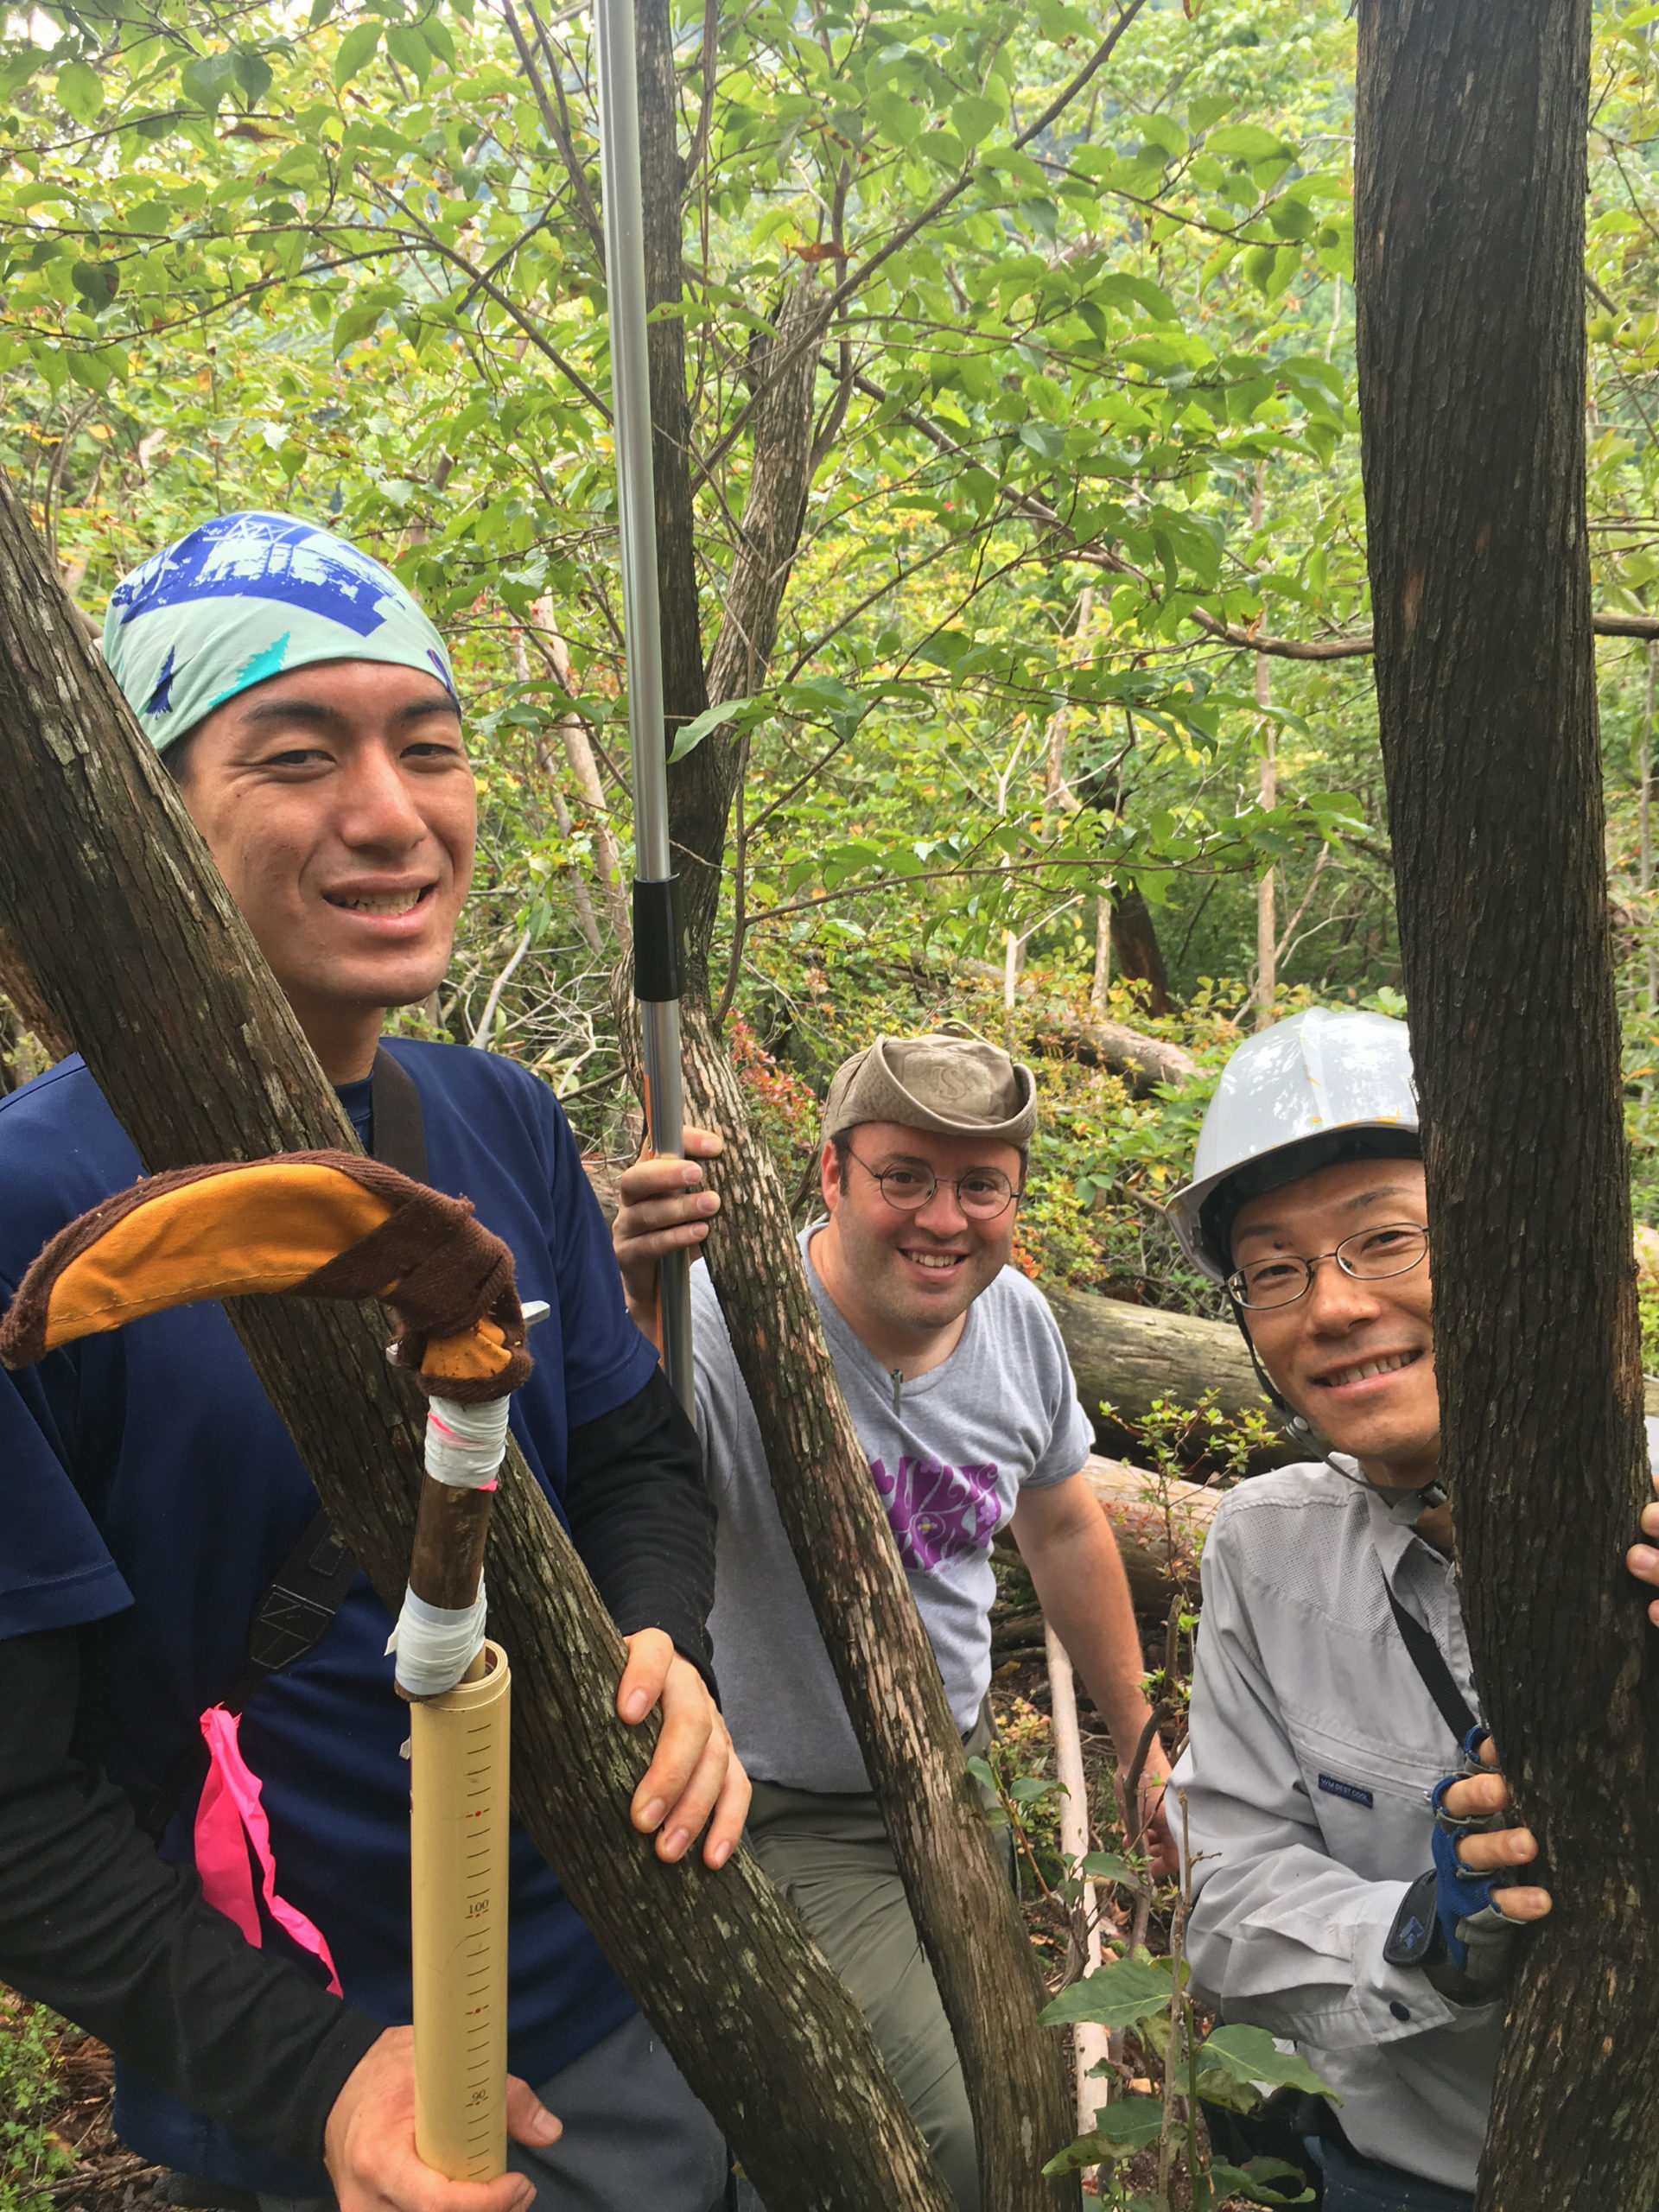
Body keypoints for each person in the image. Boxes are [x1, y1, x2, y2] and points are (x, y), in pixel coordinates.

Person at [0, 512, 746, 2212]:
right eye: (297, 754)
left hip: (634, 1992)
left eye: (430, 746)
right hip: (316, 2095)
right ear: (160, 814)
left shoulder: (498, 1117)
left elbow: (632, 1456)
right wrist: (318, 2078)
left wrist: (666, 1636)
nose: (394, 812)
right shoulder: (35, 1210)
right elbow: (15, 1803)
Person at [612, 1030, 1175, 2212]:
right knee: (945, 2151)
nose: (943, 1216)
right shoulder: (717, 1319)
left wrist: (1137, 1741)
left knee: (1028, 2104)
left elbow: (1064, 1526)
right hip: (785, 1806)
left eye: (981, 1185)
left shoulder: (1018, 1322)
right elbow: (626, 1474)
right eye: (904, 1176)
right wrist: (637, 1312)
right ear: (832, 1174)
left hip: (957, 1786)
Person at [1163, 1005, 1659, 2212]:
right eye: (1274, 1268)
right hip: (1414, 2172)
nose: (1330, 1307)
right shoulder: (1267, 1549)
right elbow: (1227, 1890)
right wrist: (1421, 1932)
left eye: (1385, 1240)